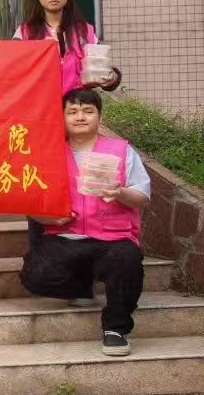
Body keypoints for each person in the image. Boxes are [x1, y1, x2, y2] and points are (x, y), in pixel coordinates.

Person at [22, 88, 149, 357]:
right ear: (62, 118)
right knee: (35, 274)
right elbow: (33, 205)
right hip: (66, 237)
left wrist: (120, 193)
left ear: (100, 117)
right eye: (73, 111)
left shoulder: (121, 151)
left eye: (88, 111)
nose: (80, 117)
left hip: (112, 239)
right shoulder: (50, 154)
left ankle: (115, 329)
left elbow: (142, 196)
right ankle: (81, 285)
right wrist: (50, 217)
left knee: (126, 260)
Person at [15, 0, 121, 251]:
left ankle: (85, 246)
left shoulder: (84, 31)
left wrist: (111, 78)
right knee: (40, 182)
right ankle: (40, 252)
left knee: (78, 178)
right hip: (41, 119)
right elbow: (13, 72)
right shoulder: (25, 32)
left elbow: (101, 70)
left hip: (77, 114)